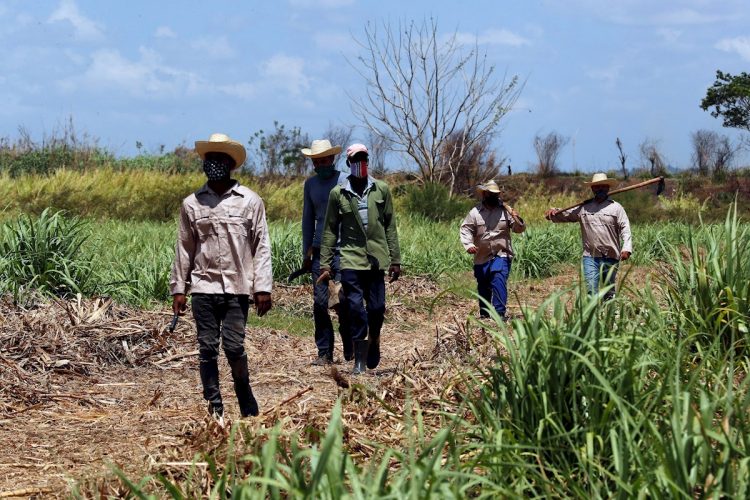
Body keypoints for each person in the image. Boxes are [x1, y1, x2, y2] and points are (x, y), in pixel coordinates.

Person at [170, 133, 273, 425]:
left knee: (234, 346)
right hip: (203, 287)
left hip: (238, 288)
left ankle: (243, 391)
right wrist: (179, 288)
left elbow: (261, 245)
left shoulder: (250, 202)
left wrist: (263, 287)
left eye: (220, 159)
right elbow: (184, 247)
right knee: (206, 348)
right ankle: (214, 405)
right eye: (209, 159)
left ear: (231, 164)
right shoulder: (191, 204)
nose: (214, 164)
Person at [317, 143, 401, 375]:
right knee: (354, 307)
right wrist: (325, 263)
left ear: (368, 162)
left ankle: (374, 338)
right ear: (348, 164)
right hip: (351, 257)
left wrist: (396, 259)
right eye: (355, 160)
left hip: (376, 258)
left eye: (363, 159)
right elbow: (330, 230)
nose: (360, 164)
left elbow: (390, 226)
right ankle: (359, 360)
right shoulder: (338, 194)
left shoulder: (381, 189)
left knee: (377, 307)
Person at [300, 139, 352, 366]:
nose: (322, 164)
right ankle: (324, 352)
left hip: (343, 251)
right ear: (313, 163)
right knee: (320, 304)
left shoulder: (344, 181)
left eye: (325, 160)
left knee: (341, 301)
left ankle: (350, 341)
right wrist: (306, 252)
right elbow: (307, 220)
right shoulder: (310, 185)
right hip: (320, 252)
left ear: (332, 159)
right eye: (317, 161)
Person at [544, 172, 632, 300]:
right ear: (592, 189)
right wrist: (553, 213)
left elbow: (626, 228)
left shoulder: (616, 208)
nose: (600, 189)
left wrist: (626, 248)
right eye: (597, 187)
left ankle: (610, 316)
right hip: (590, 257)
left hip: (611, 256)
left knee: (608, 291)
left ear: (608, 188)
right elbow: (567, 214)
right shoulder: (584, 208)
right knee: (592, 291)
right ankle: (593, 317)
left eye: (603, 186)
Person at [460, 180, 526, 321]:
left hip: (502, 253)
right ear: (484, 194)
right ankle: (485, 314)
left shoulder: (505, 211)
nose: (493, 197)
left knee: (498, 278)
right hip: (481, 256)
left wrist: (516, 217)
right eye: (490, 194)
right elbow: (466, 230)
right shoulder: (475, 213)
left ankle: (500, 313)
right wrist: (469, 245)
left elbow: (519, 229)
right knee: (483, 285)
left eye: (496, 194)